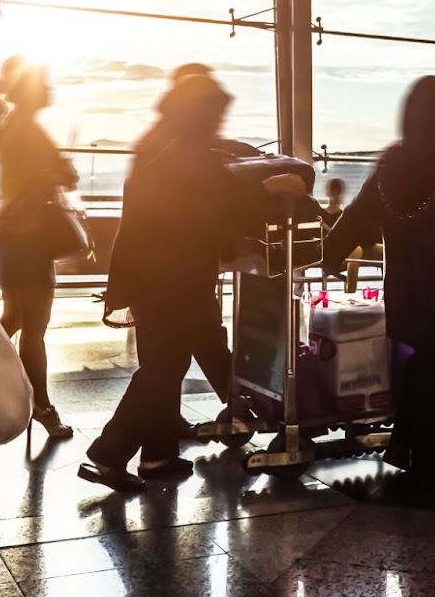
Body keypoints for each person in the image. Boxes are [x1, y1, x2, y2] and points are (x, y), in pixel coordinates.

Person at [81, 73, 305, 492]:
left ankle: (157, 456)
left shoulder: (165, 139)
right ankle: (108, 454)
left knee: (169, 362)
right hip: (172, 277)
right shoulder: (181, 150)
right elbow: (206, 198)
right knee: (163, 369)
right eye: (216, 115)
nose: (219, 124)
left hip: (158, 276)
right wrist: (268, 185)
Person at [323, 77, 435, 490]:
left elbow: (355, 215)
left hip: (405, 292)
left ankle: (404, 446)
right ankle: (431, 463)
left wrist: (331, 255)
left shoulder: (391, 163)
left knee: (415, 372)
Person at [0, 59, 78, 440]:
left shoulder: (10, 127)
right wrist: (59, 172)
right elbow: (60, 178)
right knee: (34, 327)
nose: (50, 88)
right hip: (29, 239)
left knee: (16, 318)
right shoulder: (31, 131)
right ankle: (42, 406)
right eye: (45, 83)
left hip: (10, 237)